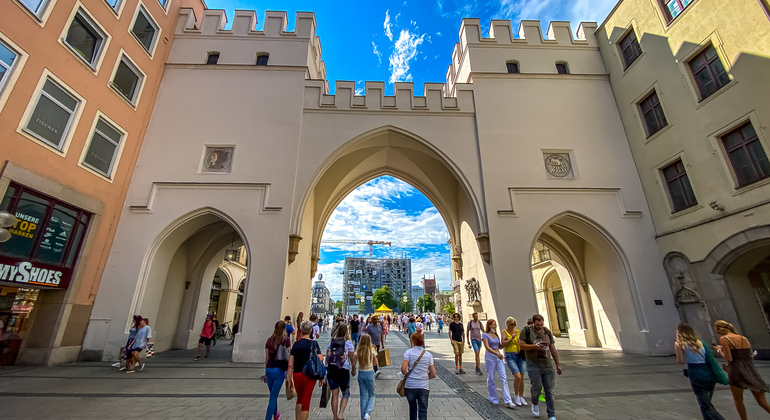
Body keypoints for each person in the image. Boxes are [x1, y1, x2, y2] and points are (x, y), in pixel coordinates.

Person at [714, 320, 770, 420]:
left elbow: (729, 358)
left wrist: (720, 350)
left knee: (739, 401)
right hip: (750, 371)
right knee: (762, 402)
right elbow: (750, 355)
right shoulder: (744, 338)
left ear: (720, 329)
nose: (718, 334)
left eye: (718, 332)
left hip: (737, 372)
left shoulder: (724, 339)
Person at [675, 323, 726, 420]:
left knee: (705, 405)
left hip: (696, 373)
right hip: (708, 373)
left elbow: (680, 361)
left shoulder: (679, 344)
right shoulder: (701, 342)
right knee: (706, 403)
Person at [520, 314, 562, 420]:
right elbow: (521, 345)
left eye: (541, 324)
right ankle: (534, 402)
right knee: (537, 387)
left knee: (549, 390)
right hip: (533, 364)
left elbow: (553, 348)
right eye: (538, 324)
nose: (540, 326)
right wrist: (534, 346)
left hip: (547, 365)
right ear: (533, 322)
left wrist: (557, 365)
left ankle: (551, 414)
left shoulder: (546, 331)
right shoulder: (526, 330)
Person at [287, 321, 323, 420]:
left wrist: (289, 378)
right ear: (311, 330)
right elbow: (320, 359)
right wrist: (320, 376)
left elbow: (290, 364)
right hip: (309, 375)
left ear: (300, 330)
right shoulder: (314, 344)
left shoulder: (296, 344)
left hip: (297, 374)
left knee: (299, 398)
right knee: (306, 401)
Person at [401, 333, 436, 420]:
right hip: (423, 386)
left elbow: (403, 369)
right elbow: (433, 374)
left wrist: (407, 375)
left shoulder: (408, 353)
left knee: (412, 410)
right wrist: (424, 377)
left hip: (410, 385)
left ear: (413, 341)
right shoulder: (428, 355)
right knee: (423, 410)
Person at [326, 324, 356, 420]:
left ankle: (334, 417)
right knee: (345, 392)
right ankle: (341, 414)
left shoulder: (331, 342)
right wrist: (353, 368)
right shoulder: (348, 343)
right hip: (343, 369)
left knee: (334, 394)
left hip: (332, 369)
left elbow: (327, 358)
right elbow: (352, 357)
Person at [483, 319, 514, 408]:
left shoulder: (496, 334)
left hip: (498, 356)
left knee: (503, 377)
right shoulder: (485, 335)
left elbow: (500, 346)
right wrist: (496, 353)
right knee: (491, 378)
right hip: (490, 357)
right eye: (493, 324)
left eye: (495, 324)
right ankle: (493, 398)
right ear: (489, 325)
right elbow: (487, 347)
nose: (495, 326)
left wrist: (508, 341)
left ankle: (508, 400)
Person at [264, 321, 290, 420]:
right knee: (273, 397)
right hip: (279, 370)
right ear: (284, 329)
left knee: (272, 394)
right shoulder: (285, 340)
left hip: (269, 369)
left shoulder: (269, 340)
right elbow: (288, 356)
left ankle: (275, 415)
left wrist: (266, 371)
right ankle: (268, 418)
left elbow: (267, 358)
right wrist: (288, 372)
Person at [500, 317, 526, 406]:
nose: (513, 326)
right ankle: (516, 395)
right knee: (517, 376)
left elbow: (521, 342)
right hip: (510, 355)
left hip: (519, 355)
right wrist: (511, 338)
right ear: (507, 324)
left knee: (522, 377)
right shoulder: (504, 332)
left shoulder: (517, 331)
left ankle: (521, 397)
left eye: (515, 324)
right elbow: (503, 343)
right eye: (512, 324)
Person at [357, 334, 378, 420]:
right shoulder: (372, 350)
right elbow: (374, 364)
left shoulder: (358, 350)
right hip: (369, 372)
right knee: (372, 394)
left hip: (361, 372)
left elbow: (355, 361)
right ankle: (367, 413)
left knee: (363, 396)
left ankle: (363, 417)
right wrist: (375, 354)